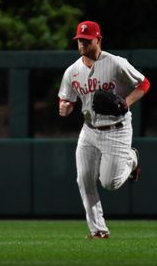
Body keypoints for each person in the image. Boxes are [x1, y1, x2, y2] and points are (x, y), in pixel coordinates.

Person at [58, 20, 150, 239]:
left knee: (110, 182)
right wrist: (65, 107)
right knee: (84, 179)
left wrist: (126, 102)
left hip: (116, 129)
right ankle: (98, 230)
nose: (81, 43)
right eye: (79, 40)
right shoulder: (72, 71)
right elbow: (66, 99)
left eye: (86, 40)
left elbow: (144, 84)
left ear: (98, 40)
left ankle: (131, 158)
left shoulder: (116, 63)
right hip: (89, 130)